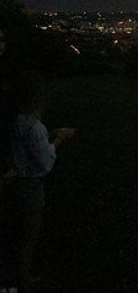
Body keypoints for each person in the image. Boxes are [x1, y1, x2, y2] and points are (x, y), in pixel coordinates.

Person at [3, 74, 73, 293]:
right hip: (31, 187)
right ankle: (23, 284)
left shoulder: (16, 121)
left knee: (17, 234)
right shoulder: (35, 127)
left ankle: (18, 277)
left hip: (15, 183)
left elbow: (29, 145)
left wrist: (50, 134)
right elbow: (46, 163)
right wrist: (60, 139)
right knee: (29, 239)